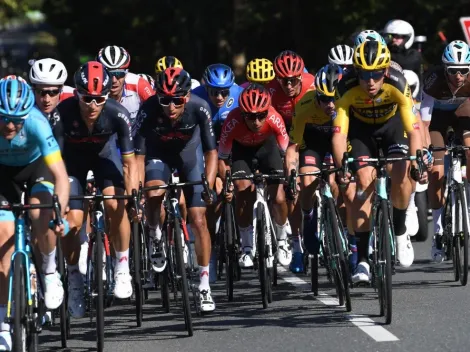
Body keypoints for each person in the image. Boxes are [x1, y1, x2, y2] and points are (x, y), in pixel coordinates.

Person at [332, 40, 425, 282]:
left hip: (392, 127)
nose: (370, 81)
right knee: (363, 182)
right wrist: (342, 166)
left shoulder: (398, 82)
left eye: (375, 74)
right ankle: (362, 260)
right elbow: (339, 134)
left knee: (403, 172)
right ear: (356, 72)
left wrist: (417, 163)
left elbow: (414, 130)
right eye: (364, 74)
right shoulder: (345, 87)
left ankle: (400, 230)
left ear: (385, 71)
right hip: (361, 131)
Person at [56, 61, 139, 319]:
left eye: (99, 99)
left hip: (106, 158)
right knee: (74, 221)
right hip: (72, 164)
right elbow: (54, 163)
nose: (92, 105)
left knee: (116, 203)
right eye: (87, 98)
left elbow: (129, 163)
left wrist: (134, 196)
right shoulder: (62, 113)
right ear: (77, 93)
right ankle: (74, 278)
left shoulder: (117, 113)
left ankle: (122, 264)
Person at [134, 67, 217, 312]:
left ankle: (204, 285)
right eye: (165, 100)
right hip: (158, 155)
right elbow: (138, 156)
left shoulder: (200, 107)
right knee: (153, 192)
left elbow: (212, 152)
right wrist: (137, 189)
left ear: (187, 97)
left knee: (198, 219)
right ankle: (155, 235)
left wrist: (208, 185)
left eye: (177, 100)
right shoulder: (148, 109)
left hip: (189, 155)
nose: (171, 106)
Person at [0, 77, 70, 350]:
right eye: (4, 118)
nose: (9, 125)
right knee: (3, 241)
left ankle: (50, 269)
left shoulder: (37, 123)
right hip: (3, 176)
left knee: (42, 212)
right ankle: (3, 325)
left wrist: (60, 214)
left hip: (35, 169)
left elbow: (62, 178)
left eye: (16, 120)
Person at [218, 83, 289, 268]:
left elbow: (287, 153)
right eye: (250, 116)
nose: (256, 122)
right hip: (242, 152)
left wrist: (289, 178)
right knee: (242, 190)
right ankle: (247, 245)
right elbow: (222, 159)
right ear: (242, 114)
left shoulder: (275, 118)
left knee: (279, 196)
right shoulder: (232, 121)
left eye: (261, 116)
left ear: (267, 111)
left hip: (268, 147)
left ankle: (282, 241)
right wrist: (228, 182)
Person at [285, 64, 343, 272]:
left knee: (343, 184)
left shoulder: (345, 105)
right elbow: (293, 148)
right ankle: (308, 215)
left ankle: (346, 233)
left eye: (333, 98)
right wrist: (291, 176)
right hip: (313, 144)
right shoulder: (304, 107)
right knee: (307, 180)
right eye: (324, 98)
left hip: (341, 140)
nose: (329, 104)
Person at [420, 40, 470, 262]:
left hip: (462, 114)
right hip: (437, 120)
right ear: (444, 68)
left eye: (464, 71)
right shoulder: (433, 79)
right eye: (453, 71)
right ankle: (439, 230)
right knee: (436, 173)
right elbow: (423, 121)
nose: (459, 76)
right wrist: (424, 149)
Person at [266, 50, 316, 267]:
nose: (288, 86)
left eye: (293, 80)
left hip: (312, 134)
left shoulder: (312, 85)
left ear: (301, 76)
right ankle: (296, 245)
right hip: (283, 138)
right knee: (291, 191)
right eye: (282, 81)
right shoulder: (270, 92)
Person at [96, 45, 154, 134]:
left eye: (119, 74)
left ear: (127, 72)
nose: (114, 80)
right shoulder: (94, 89)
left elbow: (157, 110)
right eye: (109, 75)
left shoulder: (139, 84)